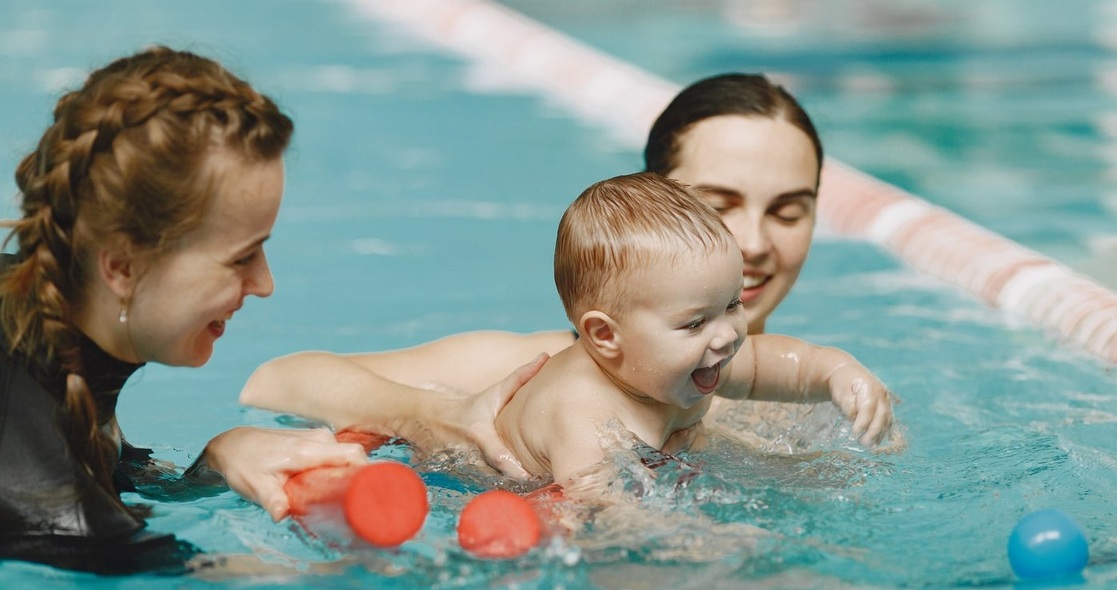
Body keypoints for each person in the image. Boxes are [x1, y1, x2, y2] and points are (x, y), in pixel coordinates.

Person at [0, 46, 540, 574]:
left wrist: (217, 460)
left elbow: (108, 478)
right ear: (120, 266)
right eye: (240, 258)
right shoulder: (50, 501)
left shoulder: (41, 328)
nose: (264, 284)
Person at [240, 73, 872, 460]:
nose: (755, 242)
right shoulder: (540, 374)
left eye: (789, 212)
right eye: (717, 206)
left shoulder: (824, 401)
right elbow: (275, 380)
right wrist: (435, 417)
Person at [492, 172, 890, 485]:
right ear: (605, 335)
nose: (728, 335)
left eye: (733, 304)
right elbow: (608, 519)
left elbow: (783, 366)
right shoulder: (582, 416)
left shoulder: (693, 359)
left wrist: (838, 374)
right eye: (695, 322)